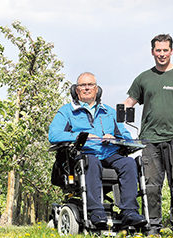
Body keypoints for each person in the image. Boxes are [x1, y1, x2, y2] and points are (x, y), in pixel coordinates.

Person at [124, 34, 173, 238]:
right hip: (150, 141)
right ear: (152, 51)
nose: (161, 54)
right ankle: (153, 229)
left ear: (171, 51)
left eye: (165, 50)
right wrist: (113, 118)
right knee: (151, 187)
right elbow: (128, 103)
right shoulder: (143, 78)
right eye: (158, 50)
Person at [49, 72, 147, 228]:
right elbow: (53, 135)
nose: (87, 88)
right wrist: (82, 136)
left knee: (129, 163)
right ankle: (96, 211)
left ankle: (130, 211)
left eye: (90, 85)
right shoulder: (66, 111)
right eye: (83, 85)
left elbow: (127, 136)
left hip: (109, 152)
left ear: (97, 89)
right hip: (84, 153)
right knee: (92, 162)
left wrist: (114, 137)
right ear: (76, 90)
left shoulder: (109, 112)